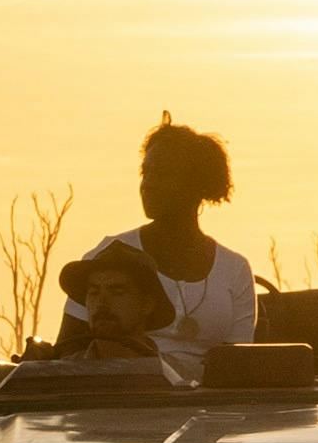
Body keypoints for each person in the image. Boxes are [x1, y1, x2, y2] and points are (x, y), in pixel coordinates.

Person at [52, 119, 257, 379]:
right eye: (145, 173)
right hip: (129, 399)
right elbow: (68, 351)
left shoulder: (234, 269)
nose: (147, 184)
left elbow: (240, 368)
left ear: (198, 185)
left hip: (208, 409)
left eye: (163, 174)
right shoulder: (108, 256)